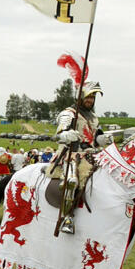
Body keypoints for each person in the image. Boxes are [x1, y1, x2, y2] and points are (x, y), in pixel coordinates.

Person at [47, 81, 109, 233]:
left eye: (93, 97)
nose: (90, 100)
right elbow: (58, 136)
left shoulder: (94, 117)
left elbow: (95, 138)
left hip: (91, 155)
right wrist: (66, 135)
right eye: (88, 97)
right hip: (70, 155)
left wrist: (102, 140)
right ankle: (68, 218)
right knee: (72, 181)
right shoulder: (68, 113)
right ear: (79, 96)